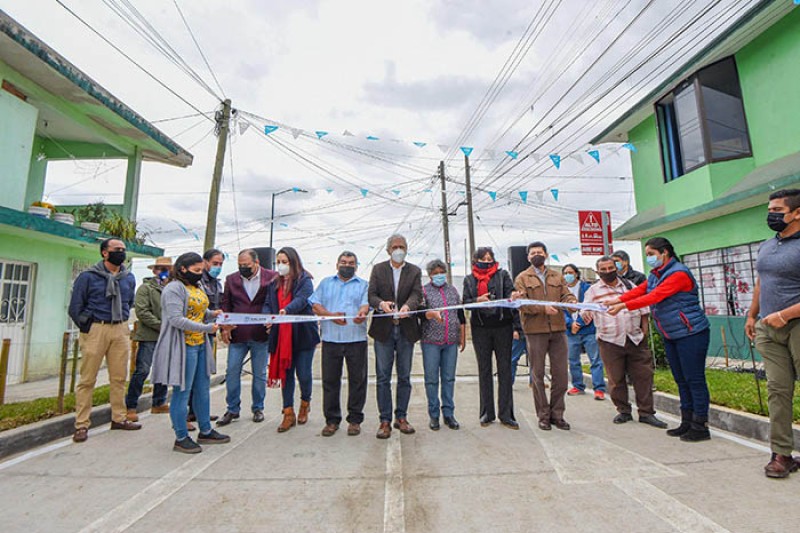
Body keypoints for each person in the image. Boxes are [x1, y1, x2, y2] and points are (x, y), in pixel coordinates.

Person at [605, 237, 711, 442]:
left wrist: (622, 307)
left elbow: (654, 296)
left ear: (665, 253)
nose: (649, 258)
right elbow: (641, 290)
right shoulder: (656, 274)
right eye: (647, 255)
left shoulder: (678, 273)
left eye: (652, 254)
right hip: (671, 333)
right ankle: (686, 421)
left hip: (691, 332)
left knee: (694, 379)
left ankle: (700, 425)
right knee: (681, 380)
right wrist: (617, 299)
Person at [746, 189, 800, 478]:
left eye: (778, 210)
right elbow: (761, 282)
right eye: (770, 209)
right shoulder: (767, 246)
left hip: (796, 325)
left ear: (797, 212)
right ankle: (782, 455)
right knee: (778, 391)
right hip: (769, 328)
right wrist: (752, 314)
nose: (771, 215)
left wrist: (785, 315)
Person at [151, 252, 230, 453]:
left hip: (200, 344)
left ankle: (205, 430)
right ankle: (181, 436)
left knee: (202, 389)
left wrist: (212, 314)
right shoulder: (173, 288)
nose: (199, 274)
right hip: (183, 345)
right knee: (182, 391)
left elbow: (199, 311)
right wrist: (206, 328)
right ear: (183, 269)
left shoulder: (196, 286)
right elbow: (176, 319)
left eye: (201, 270)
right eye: (196, 271)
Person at [68, 238, 140, 442]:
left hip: (120, 328)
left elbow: (129, 301)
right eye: (116, 249)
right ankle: (81, 424)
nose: (121, 253)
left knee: (118, 377)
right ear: (104, 253)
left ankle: (119, 417)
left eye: (123, 250)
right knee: (87, 379)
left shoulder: (128, 277)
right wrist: (88, 327)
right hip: (96, 329)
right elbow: (75, 307)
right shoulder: (88, 277)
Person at [583, 256, 666, 428]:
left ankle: (646, 413)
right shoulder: (593, 291)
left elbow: (644, 309)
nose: (607, 272)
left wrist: (644, 332)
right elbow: (585, 311)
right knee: (616, 378)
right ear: (597, 272)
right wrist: (583, 314)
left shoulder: (629, 286)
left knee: (643, 377)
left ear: (616, 268)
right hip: (609, 340)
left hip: (635, 338)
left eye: (610, 268)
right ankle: (623, 410)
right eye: (603, 269)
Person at [513, 241, 577, 431]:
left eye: (539, 252)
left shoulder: (557, 276)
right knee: (538, 375)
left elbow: (565, 296)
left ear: (546, 254)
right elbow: (522, 303)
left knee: (560, 375)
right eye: (532, 253)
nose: (536, 255)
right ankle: (543, 415)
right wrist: (542, 309)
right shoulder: (523, 278)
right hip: (535, 331)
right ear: (528, 257)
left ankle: (558, 414)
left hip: (558, 329)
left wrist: (572, 302)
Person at [368, 234, 423, 439]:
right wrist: (380, 304)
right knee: (382, 377)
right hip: (384, 330)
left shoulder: (415, 271)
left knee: (404, 376)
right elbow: (371, 295)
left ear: (406, 249)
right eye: (395, 247)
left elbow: (417, 294)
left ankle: (401, 417)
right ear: (388, 250)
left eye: (402, 247)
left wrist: (409, 306)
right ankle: (384, 420)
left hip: (406, 330)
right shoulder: (378, 269)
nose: (399, 250)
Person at [309, 251, 369, 437]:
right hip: (331, 339)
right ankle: (332, 421)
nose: (347, 265)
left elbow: (366, 305)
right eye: (343, 262)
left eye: (351, 263)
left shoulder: (364, 285)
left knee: (358, 382)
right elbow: (314, 304)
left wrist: (362, 314)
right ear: (337, 264)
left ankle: (354, 420)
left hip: (356, 339)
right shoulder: (326, 283)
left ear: (356, 266)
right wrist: (330, 315)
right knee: (330, 381)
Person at [263, 247, 320, 433]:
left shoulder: (305, 280)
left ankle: (305, 403)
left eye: (284, 262)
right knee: (286, 376)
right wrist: (267, 317)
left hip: (303, 335)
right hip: (280, 336)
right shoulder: (273, 283)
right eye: (278, 262)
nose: (280, 265)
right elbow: (267, 304)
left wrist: (286, 311)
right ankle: (288, 413)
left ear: (293, 262)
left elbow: (303, 300)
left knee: (303, 374)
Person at [217, 250, 277, 426]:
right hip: (238, 334)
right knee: (232, 371)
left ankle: (258, 407)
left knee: (259, 374)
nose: (243, 268)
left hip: (261, 335)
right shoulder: (231, 279)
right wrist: (224, 328)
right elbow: (226, 304)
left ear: (256, 262)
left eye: (247, 266)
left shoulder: (272, 277)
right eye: (240, 266)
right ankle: (232, 409)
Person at [463, 247, 518, 429]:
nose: (487, 261)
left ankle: (506, 414)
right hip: (480, 329)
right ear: (476, 260)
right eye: (483, 258)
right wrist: (477, 301)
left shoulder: (503, 275)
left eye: (489, 258)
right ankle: (487, 413)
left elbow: (511, 295)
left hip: (503, 327)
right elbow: (465, 303)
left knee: (505, 370)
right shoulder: (469, 280)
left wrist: (514, 296)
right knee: (484, 370)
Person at [420, 259, 466, 431]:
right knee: (431, 380)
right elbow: (420, 313)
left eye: (441, 272)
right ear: (430, 275)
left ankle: (449, 413)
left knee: (449, 378)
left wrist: (463, 335)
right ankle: (434, 415)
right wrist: (430, 314)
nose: (439, 275)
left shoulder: (453, 290)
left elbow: (460, 313)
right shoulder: (423, 291)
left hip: (451, 341)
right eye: (435, 273)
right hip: (431, 341)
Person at [125, 256, 171, 423]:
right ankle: (131, 406)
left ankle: (159, 402)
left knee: (163, 369)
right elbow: (142, 312)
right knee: (142, 370)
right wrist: (162, 325)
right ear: (154, 270)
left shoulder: (172, 288)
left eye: (167, 269)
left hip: (167, 336)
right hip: (150, 335)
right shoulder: (145, 289)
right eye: (160, 268)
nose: (164, 272)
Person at [189, 248, 225, 429]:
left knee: (203, 375)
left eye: (220, 264)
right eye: (215, 263)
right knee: (190, 376)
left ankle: (199, 411)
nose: (217, 267)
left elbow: (213, 309)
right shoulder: (196, 282)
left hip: (208, 333)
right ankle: (188, 414)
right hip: (192, 335)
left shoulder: (217, 284)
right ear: (205, 262)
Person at [562, 264, 606, 400]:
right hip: (571, 332)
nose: (567, 275)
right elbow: (561, 310)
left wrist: (579, 323)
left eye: (570, 272)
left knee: (595, 360)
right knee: (573, 360)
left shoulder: (587, 288)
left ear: (576, 274)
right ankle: (578, 386)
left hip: (588, 330)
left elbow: (590, 307)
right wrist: (570, 324)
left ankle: (599, 389)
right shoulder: (561, 291)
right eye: (565, 273)